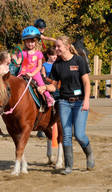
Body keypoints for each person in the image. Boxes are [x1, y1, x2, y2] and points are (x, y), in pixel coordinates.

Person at [49, 35, 95, 174]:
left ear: (67, 47)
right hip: (63, 102)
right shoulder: (57, 64)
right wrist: (45, 87)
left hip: (80, 102)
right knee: (67, 134)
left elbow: (86, 82)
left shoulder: (79, 60)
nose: (56, 49)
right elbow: (54, 86)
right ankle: (68, 166)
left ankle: (89, 154)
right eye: (55, 46)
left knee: (79, 134)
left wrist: (86, 100)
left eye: (58, 46)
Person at [13, 26, 55, 107]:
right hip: (23, 73)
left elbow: (39, 66)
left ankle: (48, 98)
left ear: (36, 42)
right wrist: (14, 60)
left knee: (41, 84)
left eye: (32, 41)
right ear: (24, 42)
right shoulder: (22, 52)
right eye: (28, 42)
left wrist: (32, 74)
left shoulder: (38, 53)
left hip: (35, 73)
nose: (30, 44)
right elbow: (18, 62)